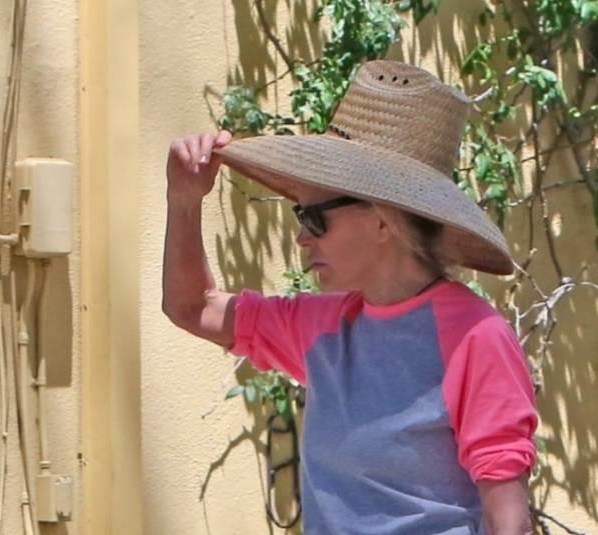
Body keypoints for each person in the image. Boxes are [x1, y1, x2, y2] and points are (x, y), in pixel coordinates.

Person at [163, 60, 538, 535]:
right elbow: (192, 307)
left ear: (384, 220)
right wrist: (184, 200)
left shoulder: (475, 337)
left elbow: (509, 522)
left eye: (314, 218)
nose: (302, 237)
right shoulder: (323, 327)